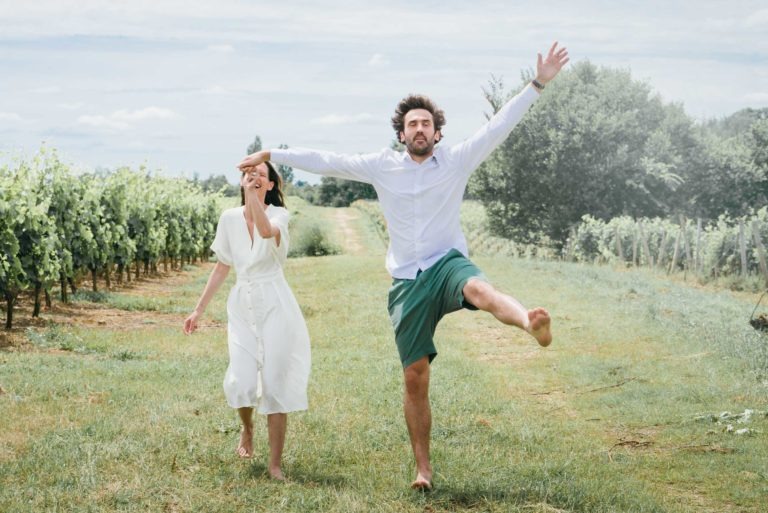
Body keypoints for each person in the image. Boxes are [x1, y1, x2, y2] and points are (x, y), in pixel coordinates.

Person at [238, 42, 568, 489]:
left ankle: (529, 322)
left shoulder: (457, 160)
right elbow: (328, 162)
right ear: (401, 133)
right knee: (415, 377)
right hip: (406, 283)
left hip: (447, 264)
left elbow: (498, 126)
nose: (419, 129)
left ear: (437, 133)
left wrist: (538, 83)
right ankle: (423, 470)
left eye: (426, 124)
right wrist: (272, 154)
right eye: (412, 124)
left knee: (479, 290)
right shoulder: (382, 167)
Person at [183, 162, 311, 481]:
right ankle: (247, 428)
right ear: (240, 181)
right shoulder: (228, 218)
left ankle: (275, 464)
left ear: (269, 186)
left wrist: (252, 196)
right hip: (242, 303)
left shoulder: (280, 216)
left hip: (275, 303)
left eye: (260, 178)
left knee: (274, 380)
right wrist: (198, 310)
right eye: (248, 176)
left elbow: (266, 231)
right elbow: (222, 266)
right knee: (241, 381)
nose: (253, 180)